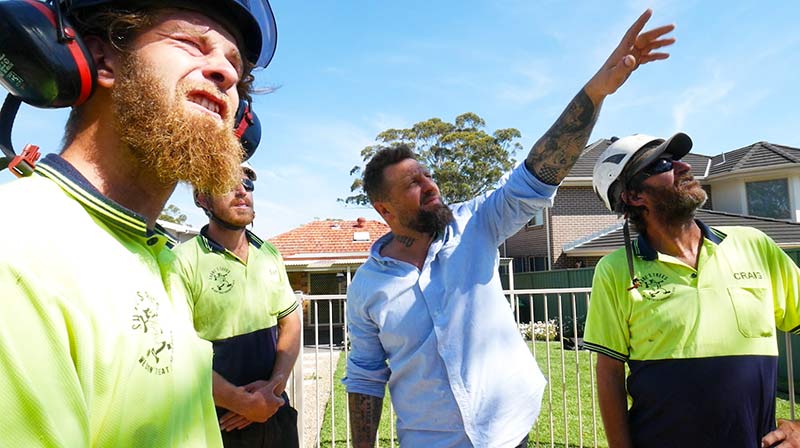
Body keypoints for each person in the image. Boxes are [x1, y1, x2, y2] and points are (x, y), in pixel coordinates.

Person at [343, 10, 677, 448]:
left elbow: (538, 172)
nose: (431, 186)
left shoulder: (475, 224)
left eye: (428, 175)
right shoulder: (367, 287)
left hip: (509, 433)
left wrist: (597, 91)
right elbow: (366, 375)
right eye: (413, 184)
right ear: (383, 208)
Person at [0, 0, 277, 446]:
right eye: (191, 43)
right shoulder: (17, 250)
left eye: (234, 67)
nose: (226, 76)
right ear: (102, 60)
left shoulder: (157, 255)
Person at [584, 132, 800, 448]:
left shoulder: (755, 246)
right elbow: (609, 374)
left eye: (677, 158)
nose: (684, 166)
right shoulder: (615, 270)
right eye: (662, 164)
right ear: (633, 196)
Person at [173, 162, 301, 448]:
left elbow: (290, 321)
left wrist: (273, 387)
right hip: (215, 424)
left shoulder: (269, 254)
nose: (241, 191)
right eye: (225, 182)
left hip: (274, 414)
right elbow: (176, 351)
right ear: (201, 198)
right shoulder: (181, 261)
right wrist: (241, 402)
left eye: (247, 183)